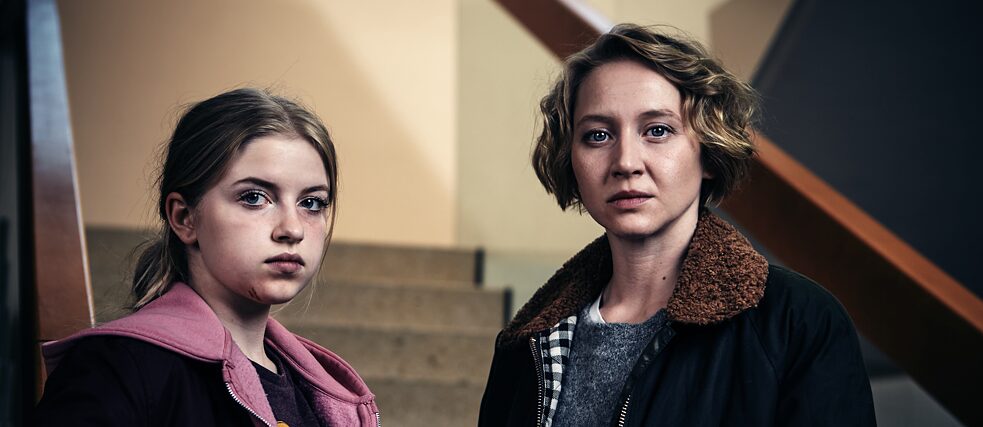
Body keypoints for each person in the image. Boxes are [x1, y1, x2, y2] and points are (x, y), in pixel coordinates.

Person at [478, 24, 875, 426]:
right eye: (597, 135)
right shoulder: (525, 344)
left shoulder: (798, 322)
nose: (626, 162)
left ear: (708, 151)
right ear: (572, 161)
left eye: (658, 130)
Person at [37, 88, 380, 426]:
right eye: (254, 197)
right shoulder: (117, 367)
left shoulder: (324, 393)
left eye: (312, 203)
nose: (293, 229)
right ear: (185, 218)